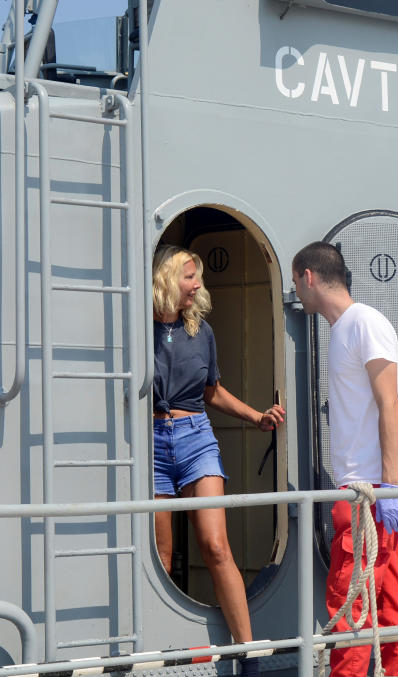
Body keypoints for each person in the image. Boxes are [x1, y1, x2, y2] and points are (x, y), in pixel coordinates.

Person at [292, 241, 398, 677]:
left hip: (374, 490)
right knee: (387, 604)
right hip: (368, 487)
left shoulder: (364, 323)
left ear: (309, 276)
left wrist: (387, 486)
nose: (297, 291)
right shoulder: (344, 328)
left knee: (349, 598)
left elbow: (390, 404)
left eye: (296, 281)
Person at [151, 245, 284, 677]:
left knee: (216, 546)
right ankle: (162, 654)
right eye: (190, 277)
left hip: (195, 439)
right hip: (149, 442)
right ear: (168, 279)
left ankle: (247, 653)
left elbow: (211, 391)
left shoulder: (200, 331)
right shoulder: (136, 327)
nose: (197, 286)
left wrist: (256, 417)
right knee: (162, 556)